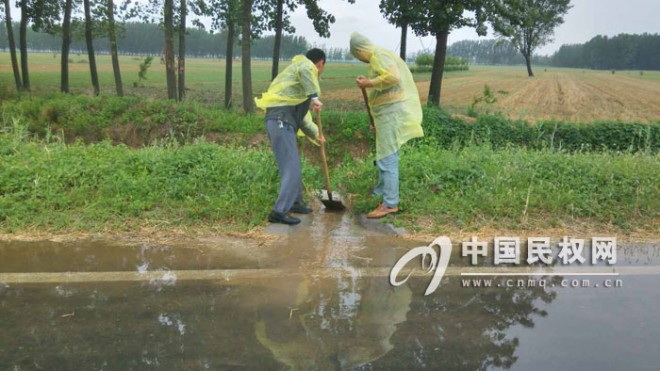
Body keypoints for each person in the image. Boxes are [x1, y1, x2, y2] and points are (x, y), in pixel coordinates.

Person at [349, 32, 424, 218]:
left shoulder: (379, 55)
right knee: (385, 154)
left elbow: (394, 77)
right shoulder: (378, 57)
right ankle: (380, 193)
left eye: (357, 56)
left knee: (387, 157)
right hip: (386, 116)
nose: (360, 60)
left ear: (360, 50)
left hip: (391, 114)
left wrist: (369, 83)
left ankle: (390, 203)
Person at [255, 48, 326, 225]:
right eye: (321, 68)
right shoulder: (304, 66)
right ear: (320, 64)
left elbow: (302, 120)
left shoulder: (297, 90)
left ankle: (295, 202)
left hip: (286, 122)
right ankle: (279, 212)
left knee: (294, 164)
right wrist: (314, 97)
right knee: (291, 166)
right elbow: (305, 70)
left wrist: (317, 135)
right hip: (280, 121)